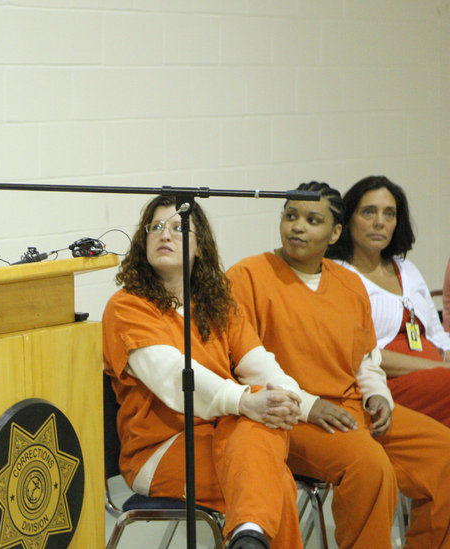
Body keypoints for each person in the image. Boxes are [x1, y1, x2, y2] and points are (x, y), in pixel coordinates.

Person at [227, 181, 450, 549]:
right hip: (290, 415)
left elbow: (365, 361)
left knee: (443, 453)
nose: (297, 227)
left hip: (351, 409)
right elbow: (246, 360)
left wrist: (379, 396)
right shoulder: (247, 275)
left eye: (312, 220)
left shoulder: (348, 283)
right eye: (290, 216)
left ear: (334, 233)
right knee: (369, 467)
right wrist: (309, 406)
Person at [102, 195, 305, 549]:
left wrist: (286, 396)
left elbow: (260, 365)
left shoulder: (218, 304)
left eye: (180, 228)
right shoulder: (127, 306)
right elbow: (177, 378)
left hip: (226, 434)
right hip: (160, 450)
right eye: (156, 227)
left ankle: (248, 535)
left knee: (263, 455)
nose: (165, 234)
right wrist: (246, 401)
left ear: (201, 247)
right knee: (275, 484)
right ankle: (249, 535)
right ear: (143, 240)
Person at [325, 175, 450, 427]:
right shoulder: (336, 275)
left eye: (389, 214)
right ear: (347, 220)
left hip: (435, 377)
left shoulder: (406, 268)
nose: (380, 222)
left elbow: (437, 336)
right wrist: (435, 369)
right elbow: (358, 355)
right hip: (381, 386)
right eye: (369, 212)